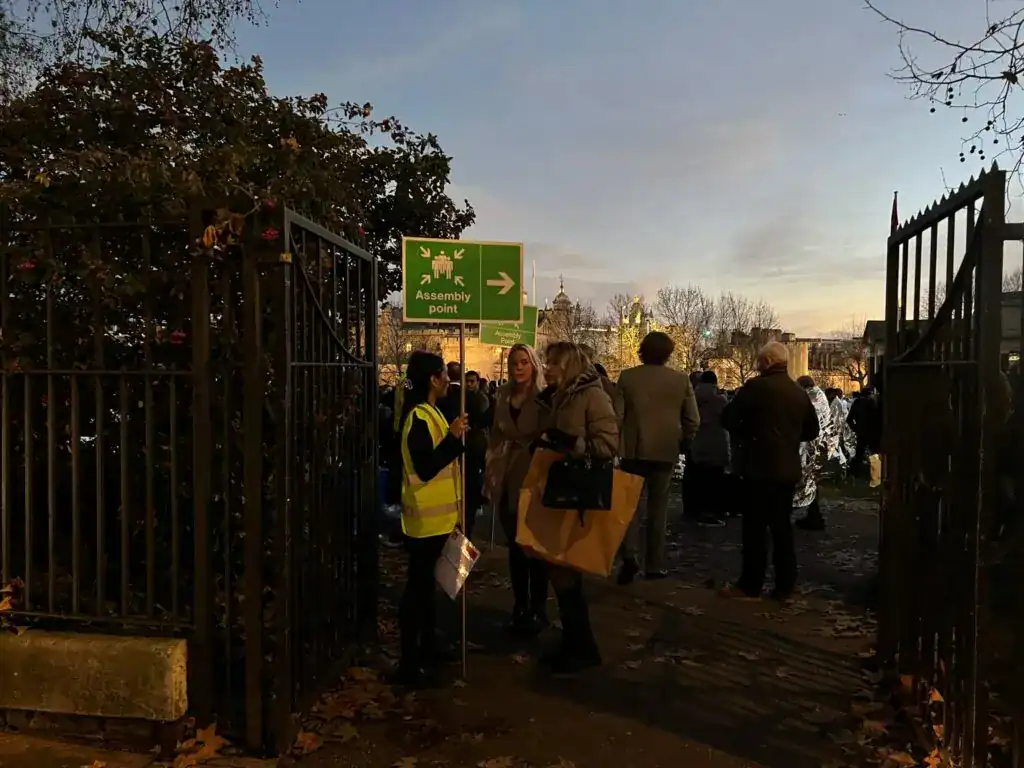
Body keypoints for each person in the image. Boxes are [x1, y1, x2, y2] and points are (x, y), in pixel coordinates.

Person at [536, 341, 618, 674]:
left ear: (568, 365)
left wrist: (571, 443)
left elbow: (608, 445)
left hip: (578, 492)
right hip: (561, 490)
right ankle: (576, 642)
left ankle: (581, 645)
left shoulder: (592, 396)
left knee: (564, 568)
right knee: (561, 568)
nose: (547, 368)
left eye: (553, 363)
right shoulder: (563, 395)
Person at [719, 342, 819, 601]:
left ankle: (750, 584)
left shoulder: (755, 388)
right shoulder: (798, 393)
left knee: (754, 529)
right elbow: (812, 430)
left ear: (766, 363)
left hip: (757, 466)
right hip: (786, 468)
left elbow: (728, 419)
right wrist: (789, 437)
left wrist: (748, 434)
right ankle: (785, 585)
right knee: (781, 528)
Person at [395, 351, 469, 688]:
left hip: (438, 521)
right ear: (432, 379)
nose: (447, 378)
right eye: (442, 373)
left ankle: (427, 645)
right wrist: (453, 440)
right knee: (417, 591)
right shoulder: (419, 418)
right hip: (424, 521)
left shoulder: (431, 412)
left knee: (427, 591)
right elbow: (427, 466)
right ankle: (409, 662)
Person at [614, 331, 700, 583]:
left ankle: (629, 554)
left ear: (642, 350)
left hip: (632, 449)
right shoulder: (680, 380)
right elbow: (693, 419)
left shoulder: (627, 378)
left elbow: (617, 416)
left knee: (630, 506)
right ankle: (654, 564)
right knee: (658, 509)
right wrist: (684, 440)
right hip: (665, 450)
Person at [487, 344, 550, 636]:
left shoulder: (543, 398)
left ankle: (539, 607)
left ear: (534, 365)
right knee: (514, 545)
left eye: (524, 362)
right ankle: (520, 605)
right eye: (514, 363)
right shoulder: (502, 395)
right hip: (507, 472)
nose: (519, 368)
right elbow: (495, 436)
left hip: (534, 473)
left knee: (534, 545)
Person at [793, 376, 837, 531]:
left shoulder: (811, 398)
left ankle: (812, 517)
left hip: (813, 446)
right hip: (822, 445)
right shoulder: (819, 396)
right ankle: (814, 516)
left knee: (807, 481)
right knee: (812, 482)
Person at [687, 370, 730, 527]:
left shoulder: (692, 398)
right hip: (717, 444)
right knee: (715, 480)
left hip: (697, 443)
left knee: (698, 479)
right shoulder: (720, 400)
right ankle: (713, 512)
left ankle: (697, 510)